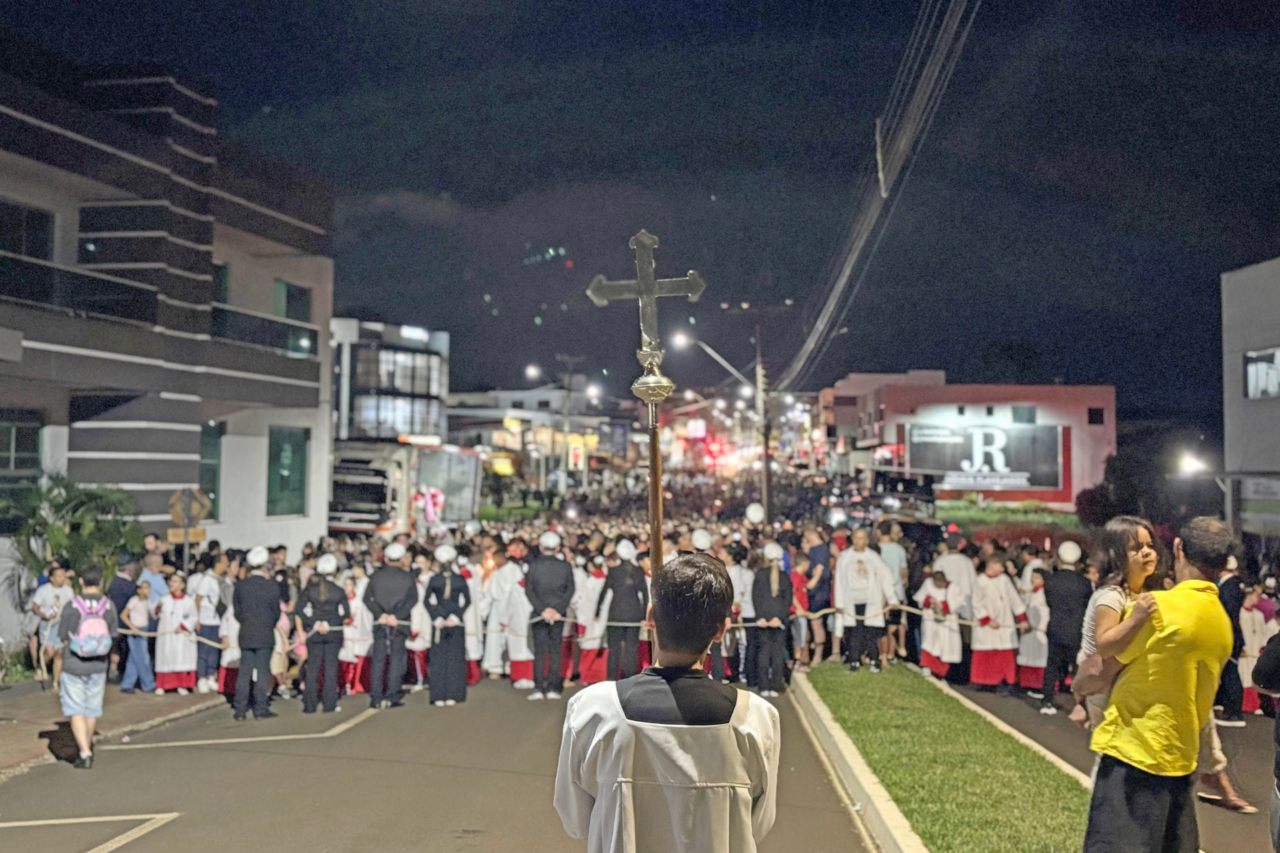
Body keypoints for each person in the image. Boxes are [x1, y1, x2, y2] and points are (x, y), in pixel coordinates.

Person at [555, 552, 780, 852]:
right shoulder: (753, 718)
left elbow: (576, 820)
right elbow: (757, 824)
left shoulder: (595, 710)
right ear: (721, 630)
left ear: (650, 618)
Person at [1083, 517, 1235, 853]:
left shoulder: (1157, 608)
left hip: (1134, 756)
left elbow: (1103, 668)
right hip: (1181, 761)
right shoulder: (1222, 622)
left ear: (1178, 548)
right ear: (1223, 565)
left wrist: (1080, 685)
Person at [56, 564, 119, 769]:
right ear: (101, 582)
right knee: (91, 710)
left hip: (74, 664)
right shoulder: (108, 605)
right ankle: (87, 746)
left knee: (76, 709)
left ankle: (84, 752)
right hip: (98, 665)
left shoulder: (72, 605)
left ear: (81, 582)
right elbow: (114, 634)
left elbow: (63, 634)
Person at [833, 528, 899, 673]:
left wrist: (892, 598)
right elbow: (839, 580)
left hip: (870, 600)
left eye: (862, 538)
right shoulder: (845, 557)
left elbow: (885, 578)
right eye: (856, 538)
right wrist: (839, 603)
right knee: (855, 631)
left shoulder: (873, 558)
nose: (858, 541)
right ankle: (854, 660)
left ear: (867, 540)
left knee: (870, 632)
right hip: (852, 599)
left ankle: (875, 660)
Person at [1041, 539, 1093, 713]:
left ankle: (1047, 701)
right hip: (1076, 629)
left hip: (1055, 626)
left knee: (1052, 664)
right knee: (1077, 667)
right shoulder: (1085, 583)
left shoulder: (1051, 580)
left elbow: (1049, 603)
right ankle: (1080, 704)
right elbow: (1088, 606)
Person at [364, 541, 416, 709]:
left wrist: (381, 614)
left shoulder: (375, 576)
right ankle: (392, 695)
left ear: (385, 558)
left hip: (380, 622)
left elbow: (367, 599)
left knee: (378, 659)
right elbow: (413, 599)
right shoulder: (408, 577)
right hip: (399, 622)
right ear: (401, 559)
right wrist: (397, 615)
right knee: (396, 659)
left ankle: (376, 696)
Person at [233, 546, 283, 721]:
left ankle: (240, 709)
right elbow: (276, 612)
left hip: (246, 631)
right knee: (263, 671)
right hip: (265, 632)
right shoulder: (271, 586)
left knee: (244, 671)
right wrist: (268, 624)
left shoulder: (241, 586)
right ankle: (260, 708)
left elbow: (237, 612)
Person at [295, 554, 349, 714]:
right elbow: (346, 613)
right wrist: (330, 623)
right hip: (333, 633)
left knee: (313, 668)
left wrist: (314, 622)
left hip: (314, 633)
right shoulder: (338, 591)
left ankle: (309, 705)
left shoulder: (310, 590)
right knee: (330, 668)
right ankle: (329, 703)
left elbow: (300, 610)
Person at [970, 551, 1030, 691]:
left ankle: (1006, 681)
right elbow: (976, 603)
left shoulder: (1004, 580)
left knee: (1005, 653)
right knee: (986, 653)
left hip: (1004, 623)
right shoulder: (980, 581)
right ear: (992, 565)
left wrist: (1022, 618)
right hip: (987, 627)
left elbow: (1014, 599)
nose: (1002, 570)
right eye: (1000, 566)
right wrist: (987, 619)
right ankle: (984, 682)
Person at [526, 531, 574, 701]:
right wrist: (557, 610)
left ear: (540, 547)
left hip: (539, 613)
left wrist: (542, 610)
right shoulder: (565, 566)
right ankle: (553, 687)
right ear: (558, 548)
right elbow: (570, 590)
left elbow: (529, 590)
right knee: (555, 650)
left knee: (539, 651)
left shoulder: (533, 565)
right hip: (558, 614)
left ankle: (538, 687)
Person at [426, 545, 471, 706]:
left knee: (441, 659)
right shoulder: (460, 579)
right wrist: (456, 615)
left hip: (443, 621)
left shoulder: (434, 579)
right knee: (453, 658)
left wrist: (436, 617)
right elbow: (467, 601)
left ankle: (440, 694)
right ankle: (452, 693)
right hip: (453, 621)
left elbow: (426, 602)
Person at [597, 538, 647, 681]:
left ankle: (611, 680)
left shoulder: (613, 571)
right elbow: (644, 594)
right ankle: (629, 680)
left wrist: (597, 611)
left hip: (615, 615)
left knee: (614, 651)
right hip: (634, 615)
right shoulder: (638, 571)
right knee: (631, 651)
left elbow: (604, 592)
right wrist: (644, 616)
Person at [753, 544, 792, 697]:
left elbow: (756, 598)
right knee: (777, 653)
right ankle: (775, 686)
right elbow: (788, 600)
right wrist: (780, 617)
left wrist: (760, 617)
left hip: (763, 619)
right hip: (779, 620)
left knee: (763, 652)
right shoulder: (785, 577)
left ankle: (763, 686)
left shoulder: (759, 575)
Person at [1215, 556, 1247, 727]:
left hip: (1231, 635)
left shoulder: (1230, 587)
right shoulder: (1232, 585)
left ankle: (1234, 712)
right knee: (1228, 671)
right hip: (1232, 634)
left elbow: (1230, 614)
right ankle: (1226, 705)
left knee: (1230, 672)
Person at [30, 563, 73, 688]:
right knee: (50, 651)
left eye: (63, 575)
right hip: (47, 624)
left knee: (60, 653)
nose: (61, 578)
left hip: (62, 623)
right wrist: (44, 615)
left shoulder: (68, 590)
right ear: (52, 578)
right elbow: (35, 607)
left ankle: (55, 682)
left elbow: (72, 606)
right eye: (58, 576)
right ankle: (41, 665)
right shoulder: (43, 590)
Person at [153, 574, 198, 695]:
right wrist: (157, 608)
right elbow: (155, 614)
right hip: (166, 636)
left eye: (175, 581)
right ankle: (162, 685)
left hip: (181, 636)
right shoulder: (164, 599)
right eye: (171, 581)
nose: (172, 584)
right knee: (165, 657)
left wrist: (183, 626)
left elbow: (193, 617)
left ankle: (181, 685)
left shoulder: (188, 601)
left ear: (182, 585)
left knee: (181, 657)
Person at [190, 552, 227, 694]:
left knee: (214, 650)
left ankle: (211, 675)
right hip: (205, 619)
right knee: (204, 650)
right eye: (224, 563)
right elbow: (198, 600)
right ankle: (202, 678)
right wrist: (197, 619)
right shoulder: (207, 579)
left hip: (217, 620)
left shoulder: (221, 580)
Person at [915, 569, 962, 678]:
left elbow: (959, 601)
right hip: (931, 620)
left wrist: (944, 605)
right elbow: (920, 598)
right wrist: (928, 600)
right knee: (929, 643)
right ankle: (927, 666)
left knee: (945, 646)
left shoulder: (953, 587)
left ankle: (941, 673)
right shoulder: (928, 584)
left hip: (947, 622)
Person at [877, 521, 909, 660]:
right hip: (897, 591)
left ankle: (880, 653)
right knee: (894, 624)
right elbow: (904, 572)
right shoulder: (900, 549)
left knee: (881, 623)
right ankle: (891, 653)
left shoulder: (875, 549)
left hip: (879, 593)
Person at [106, 555, 138, 683]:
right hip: (123, 623)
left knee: (115, 648)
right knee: (120, 648)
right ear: (129, 568)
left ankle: (114, 671)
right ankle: (118, 672)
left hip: (114, 622)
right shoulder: (127, 585)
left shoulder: (114, 582)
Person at [119, 580, 156, 694]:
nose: (147, 591)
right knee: (143, 658)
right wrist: (133, 627)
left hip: (144, 630)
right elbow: (123, 615)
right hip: (136, 631)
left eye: (149, 588)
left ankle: (127, 684)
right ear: (139, 589)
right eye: (145, 588)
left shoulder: (147, 601)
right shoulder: (133, 601)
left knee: (134, 658)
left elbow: (151, 615)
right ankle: (148, 684)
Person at [1018, 567, 1050, 691]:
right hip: (1029, 630)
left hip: (1039, 630)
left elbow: (1045, 613)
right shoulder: (1032, 593)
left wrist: (1042, 627)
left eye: (1036, 577)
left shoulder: (1044, 594)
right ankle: (1027, 684)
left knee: (1039, 657)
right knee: (1028, 656)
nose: (1033, 580)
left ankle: (1038, 686)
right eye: (1032, 577)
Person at [339, 575, 373, 694]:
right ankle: (344, 684)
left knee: (353, 660)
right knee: (344, 660)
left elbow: (355, 618)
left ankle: (353, 684)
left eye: (349, 585)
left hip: (354, 634)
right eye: (345, 584)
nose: (346, 587)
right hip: (344, 633)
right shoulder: (341, 600)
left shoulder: (358, 602)